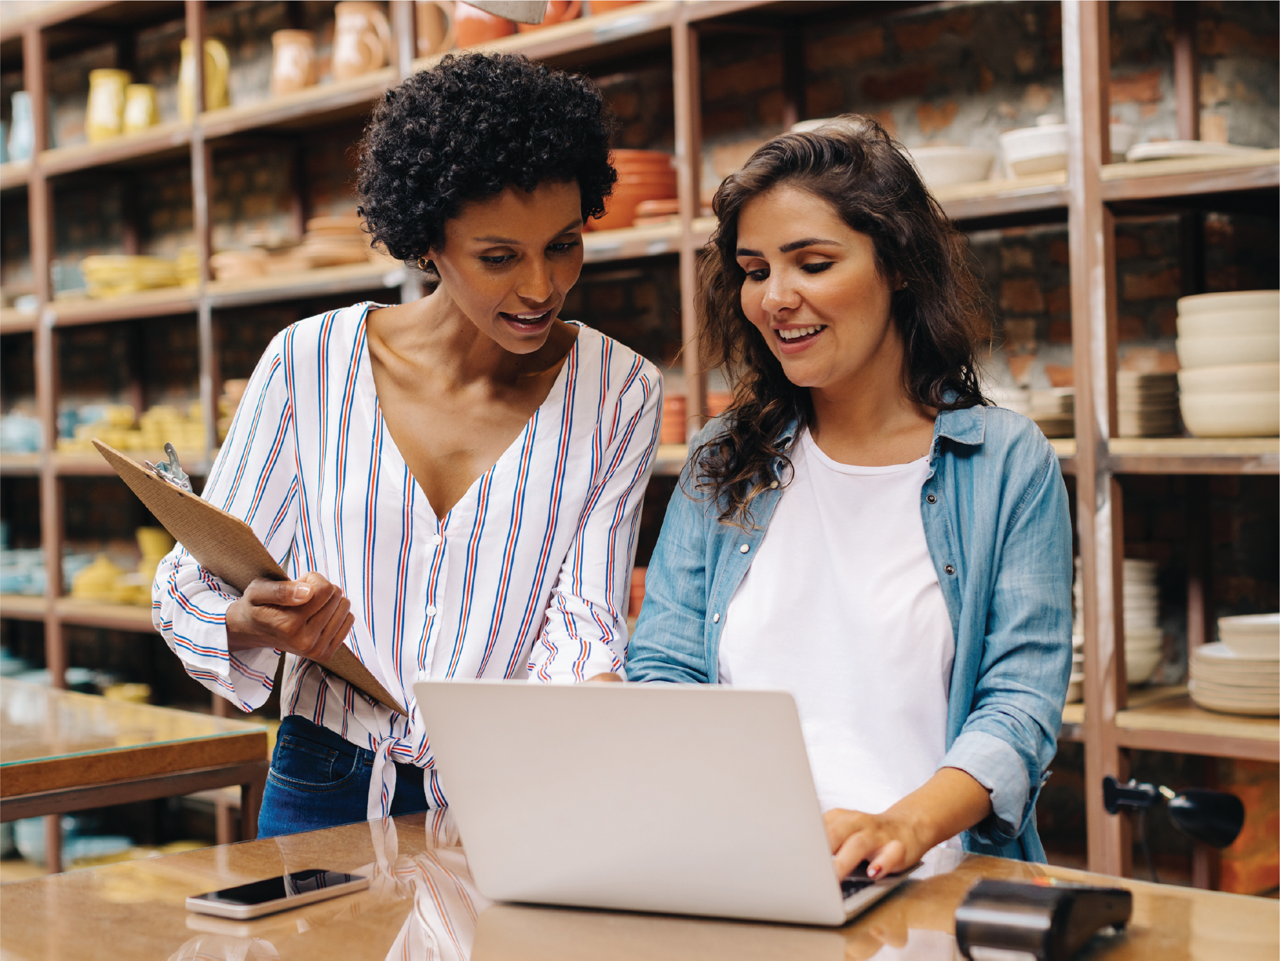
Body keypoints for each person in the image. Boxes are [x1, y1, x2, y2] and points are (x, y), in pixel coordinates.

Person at [154, 53, 661, 837]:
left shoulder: (620, 389)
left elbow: (584, 620)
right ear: (429, 242)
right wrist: (260, 622)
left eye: (563, 244)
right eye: (499, 256)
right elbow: (193, 582)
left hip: (514, 789)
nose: (540, 286)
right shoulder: (309, 362)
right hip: (324, 777)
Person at [625, 117, 1071, 878]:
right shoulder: (723, 457)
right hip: (746, 872)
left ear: (895, 264)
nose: (775, 297)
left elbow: (1019, 705)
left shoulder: (1003, 462)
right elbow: (664, 667)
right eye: (756, 269)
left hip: (927, 878)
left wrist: (902, 826)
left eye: (813, 262)